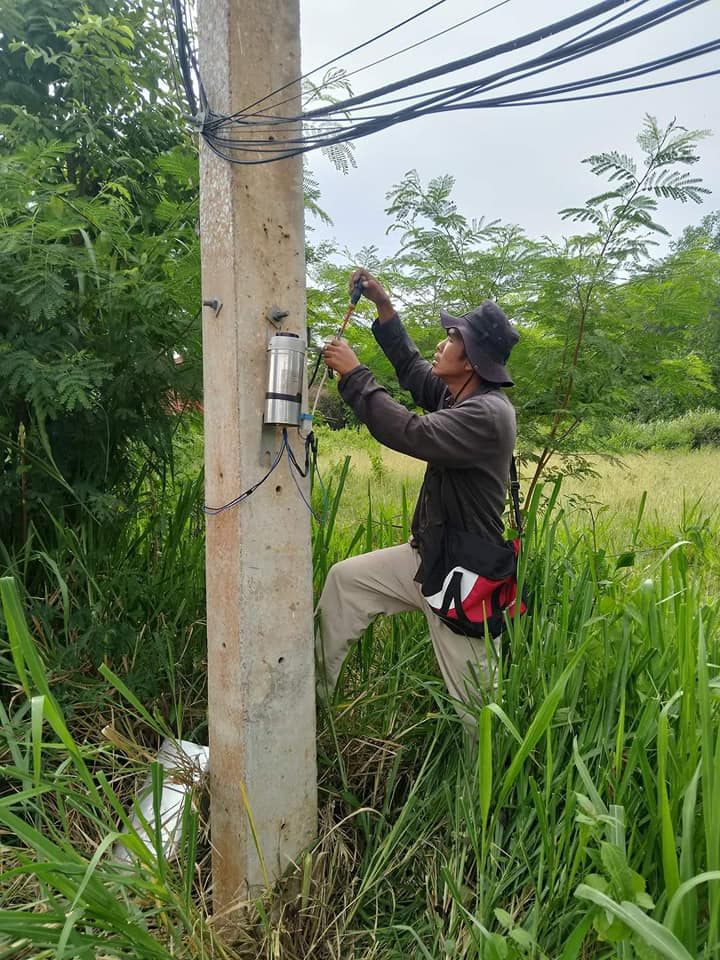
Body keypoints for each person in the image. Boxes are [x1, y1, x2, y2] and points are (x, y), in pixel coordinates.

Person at [317, 268, 519, 728]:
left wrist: (355, 375)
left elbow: (409, 431)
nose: (441, 345)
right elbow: (412, 370)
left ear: (472, 362)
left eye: (452, 339)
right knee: (345, 582)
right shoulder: (459, 396)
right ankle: (316, 704)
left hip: (465, 576)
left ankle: (486, 793)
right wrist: (384, 309)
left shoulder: (487, 414)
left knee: (478, 713)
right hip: (430, 557)